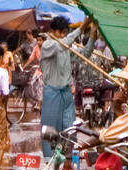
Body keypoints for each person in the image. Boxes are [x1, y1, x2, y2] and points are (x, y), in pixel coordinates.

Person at [28, 17, 79, 157]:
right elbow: (64, 43)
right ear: (53, 31)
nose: (63, 36)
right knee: (51, 135)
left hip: (66, 93)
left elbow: (83, 55)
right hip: (52, 94)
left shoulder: (66, 47)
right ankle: (51, 168)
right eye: (60, 32)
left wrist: (92, 38)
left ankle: (67, 162)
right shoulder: (48, 45)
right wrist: (82, 28)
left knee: (69, 131)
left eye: (65, 33)